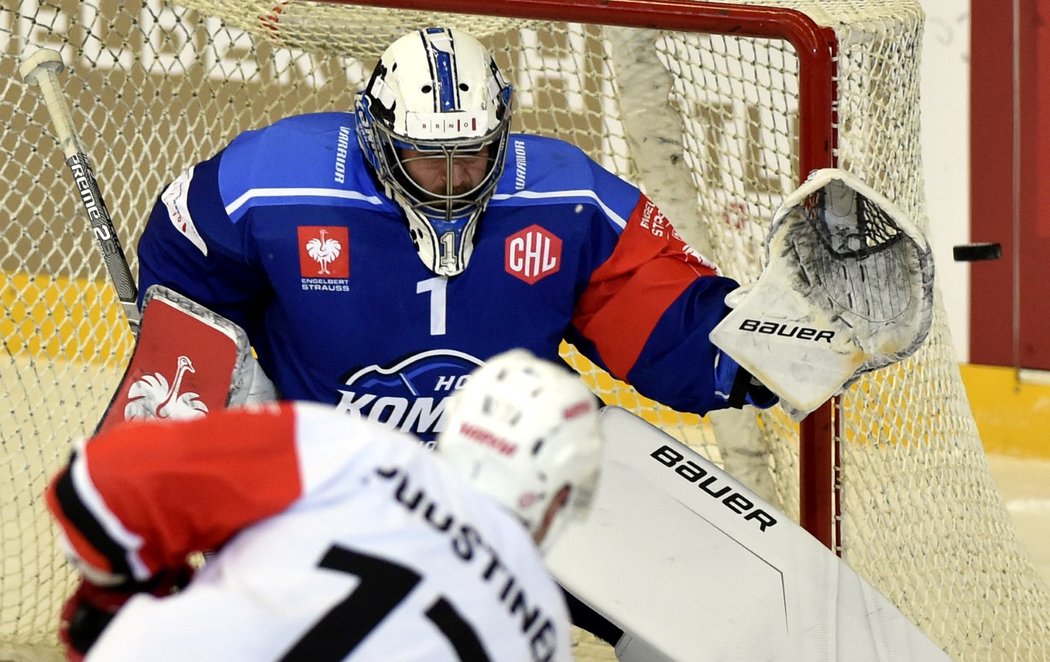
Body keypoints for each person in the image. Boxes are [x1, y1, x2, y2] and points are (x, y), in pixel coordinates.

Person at [134, 25, 776, 447]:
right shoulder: (272, 181)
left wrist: (755, 350)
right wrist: (197, 365)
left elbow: (649, 301)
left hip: (507, 482)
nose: (449, 179)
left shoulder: (566, 194)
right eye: (425, 156)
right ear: (379, 139)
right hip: (322, 482)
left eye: (470, 155)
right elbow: (184, 252)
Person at [46, 350, 602, 661]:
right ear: (556, 498)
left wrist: (116, 597)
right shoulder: (547, 631)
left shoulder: (357, 449)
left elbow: (95, 488)